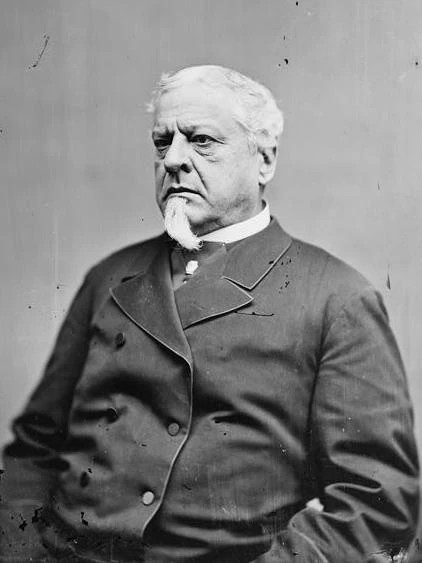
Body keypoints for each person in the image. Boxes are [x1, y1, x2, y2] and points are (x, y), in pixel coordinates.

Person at [0, 65, 419, 562]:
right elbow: (34, 450)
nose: (173, 159)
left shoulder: (337, 298)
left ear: (265, 160)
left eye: (201, 140)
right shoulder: (109, 277)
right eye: (162, 142)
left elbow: (377, 499)